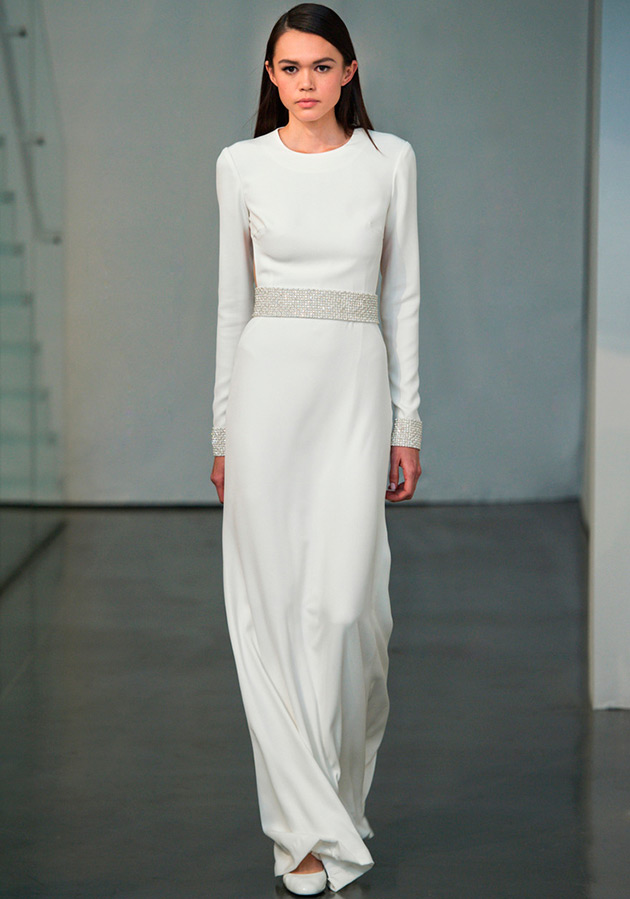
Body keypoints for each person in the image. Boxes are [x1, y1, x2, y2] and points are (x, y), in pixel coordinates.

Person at [210, 4, 422, 894]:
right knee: (269, 613)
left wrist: (408, 422)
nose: (305, 82)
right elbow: (233, 302)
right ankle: (301, 832)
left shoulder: (390, 160)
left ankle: (338, 799)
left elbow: (403, 296)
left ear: (349, 71)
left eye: (321, 66)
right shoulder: (240, 164)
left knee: (345, 613)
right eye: (290, 67)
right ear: (271, 75)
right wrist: (222, 427)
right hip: (265, 398)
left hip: (353, 396)